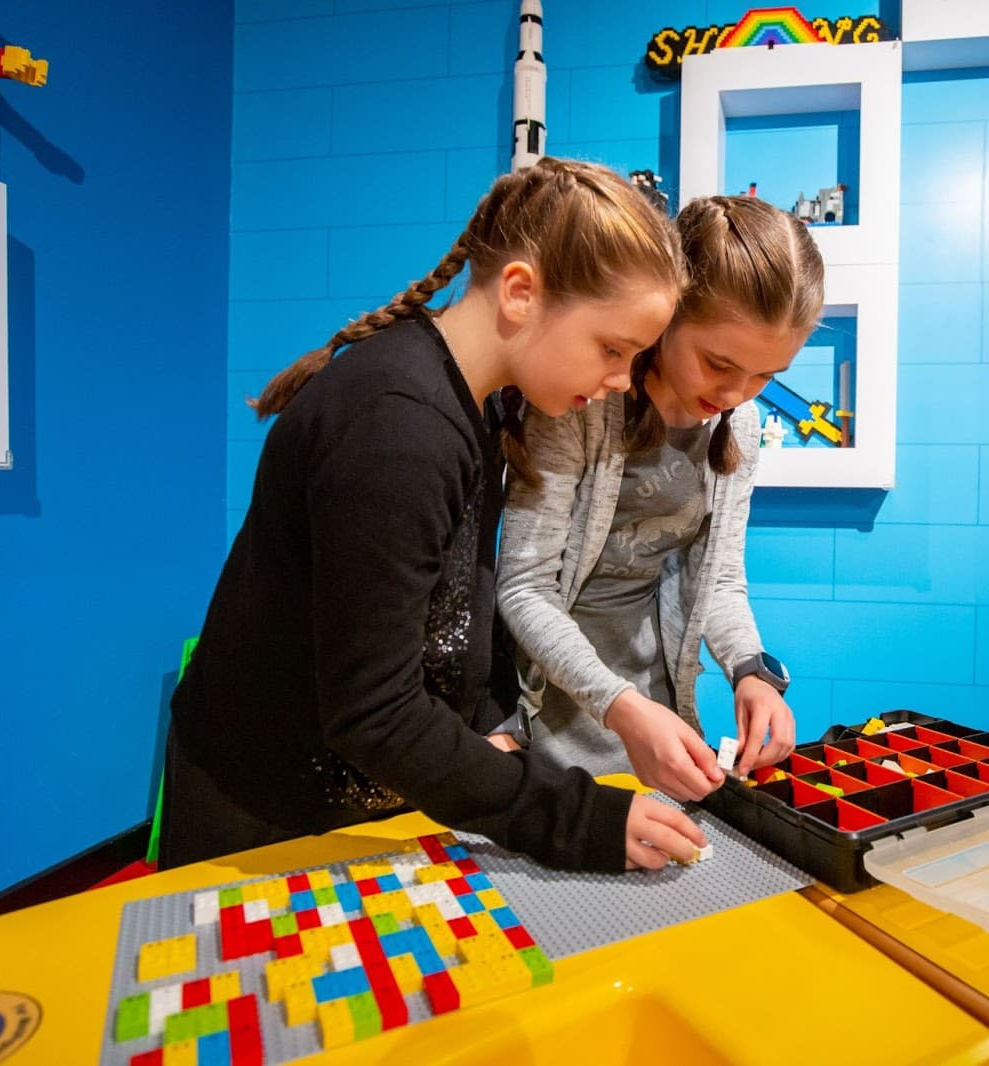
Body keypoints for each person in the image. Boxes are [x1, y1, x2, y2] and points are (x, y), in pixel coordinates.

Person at [164, 158, 706, 873]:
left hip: (352, 806)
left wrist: (488, 726)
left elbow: (455, 607)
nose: (617, 383)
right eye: (612, 349)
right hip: (262, 817)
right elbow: (374, 710)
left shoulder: (467, 404)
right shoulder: (399, 425)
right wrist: (577, 817)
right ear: (520, 293)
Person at [497, 195, 824, 802]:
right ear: (669, 313)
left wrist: (749, 671)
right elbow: (525, 586)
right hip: (548, 707)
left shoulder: (740, 426)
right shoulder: (583, 398)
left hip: (651, 704)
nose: (735, 393)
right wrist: (617, 704)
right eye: (718, 363)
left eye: (765, 376)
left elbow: (720, 579)